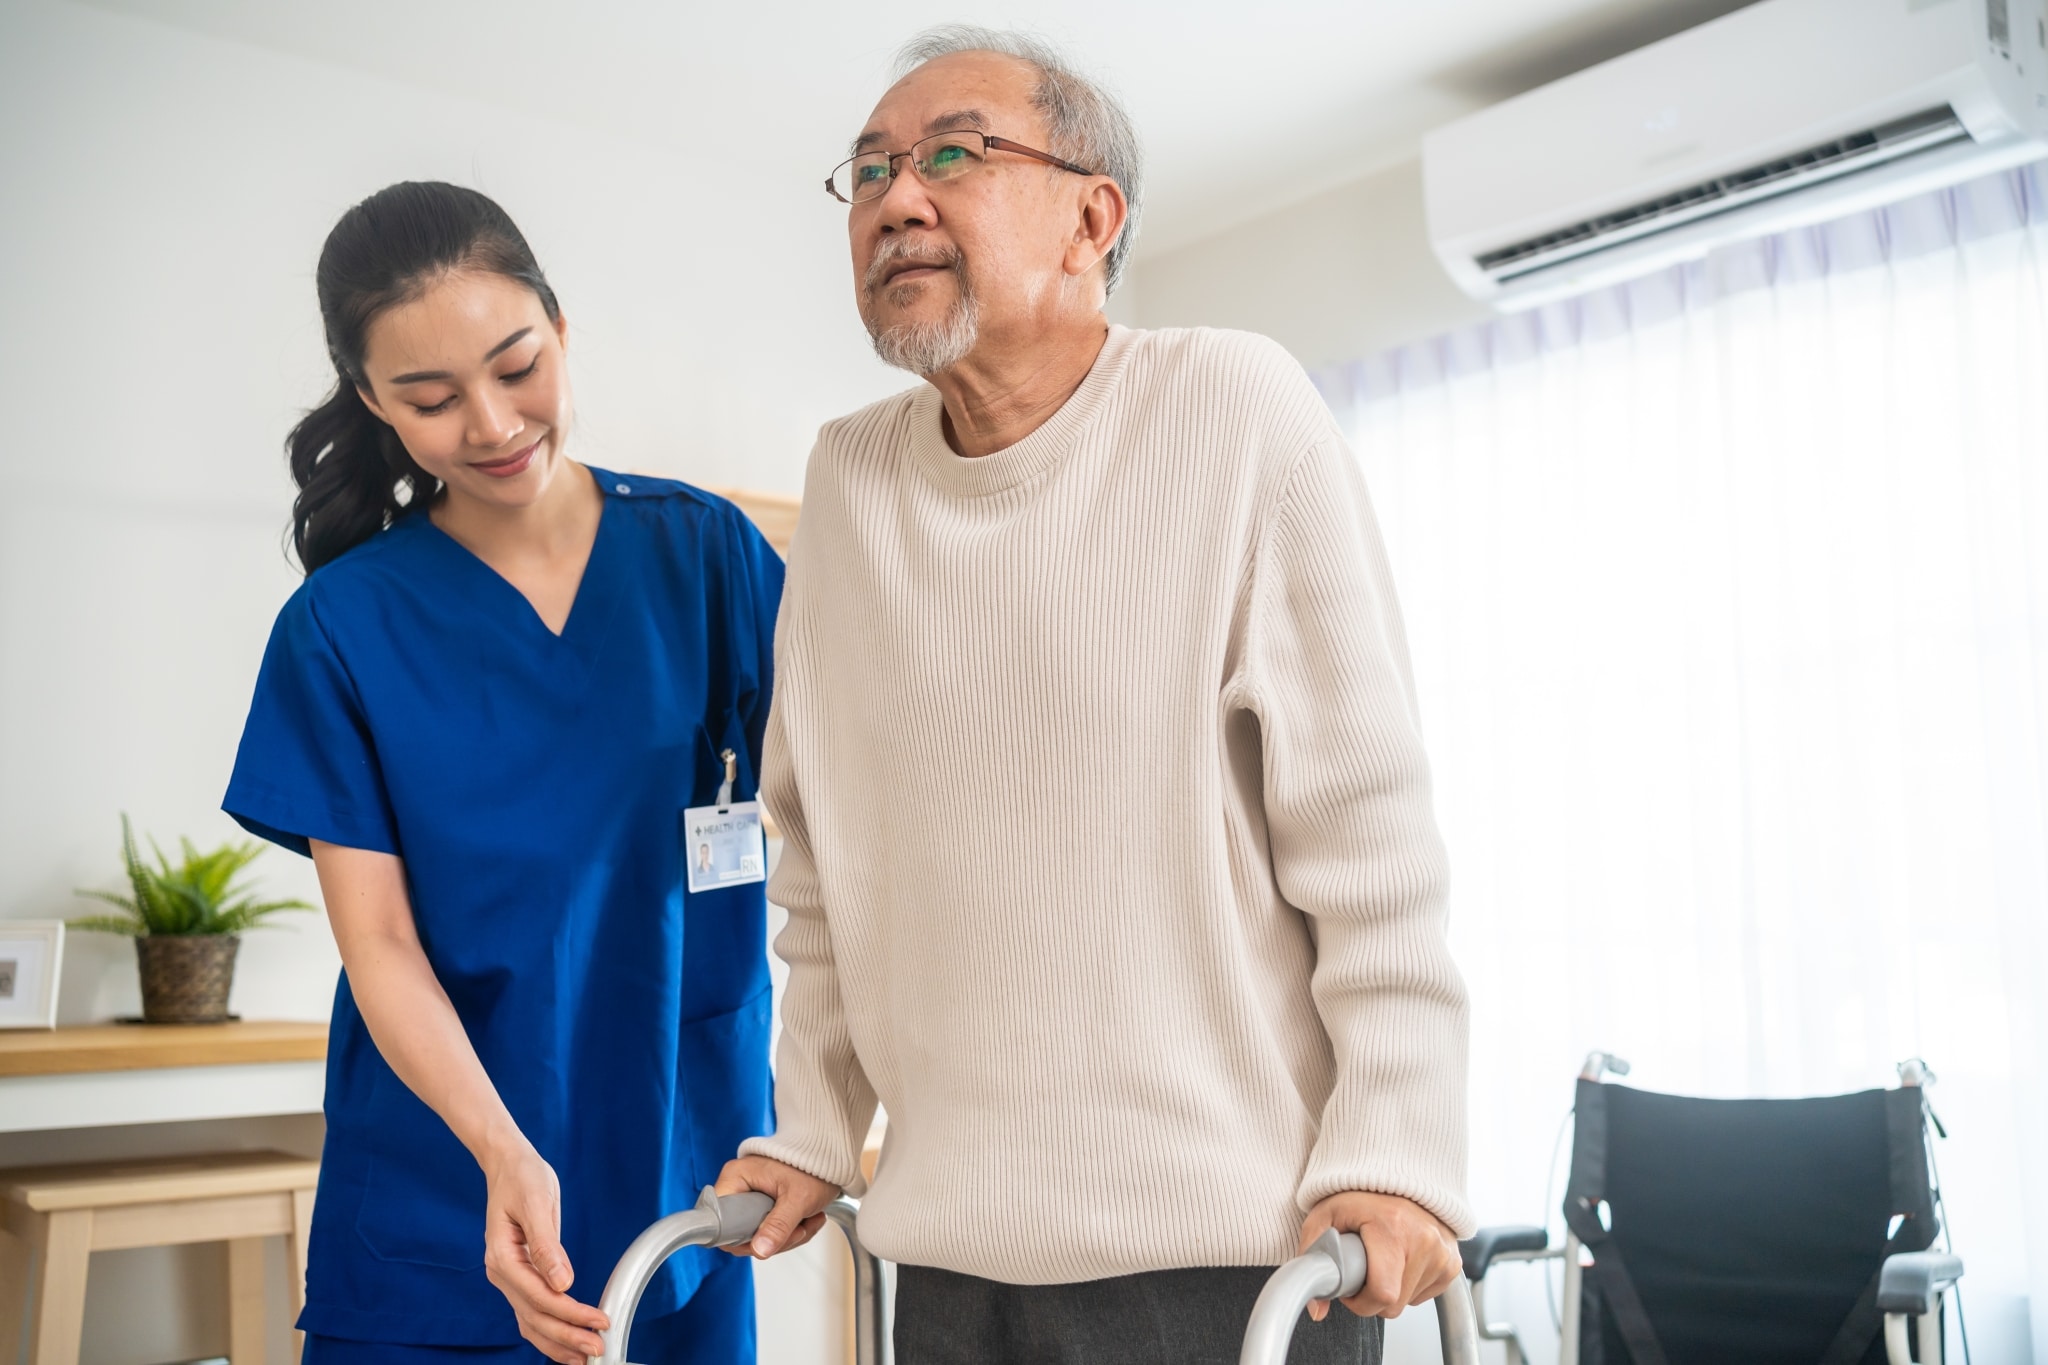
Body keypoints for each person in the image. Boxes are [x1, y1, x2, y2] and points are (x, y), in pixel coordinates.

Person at [715, 27, 1473, 1364]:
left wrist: (1399, 1146)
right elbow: (821, 860)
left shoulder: (1233, 409)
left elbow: (1369, 830)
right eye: (872, 169)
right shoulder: (849, 481)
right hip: (945, 1264)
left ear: (1091, 218)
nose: (899, 197)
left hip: (1223, 1265)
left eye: (954, 153)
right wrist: (815, 1127)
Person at [225, 182, 782, 1365]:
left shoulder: (705, 556)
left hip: (683, 1165)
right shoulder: (342, 628)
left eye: (516, 366)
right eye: (430, 399)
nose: (489, 422)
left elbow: (854, 833)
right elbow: (375, 943)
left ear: (562, 332)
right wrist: (501, 1150)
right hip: (445, 1178)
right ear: (373, 403)